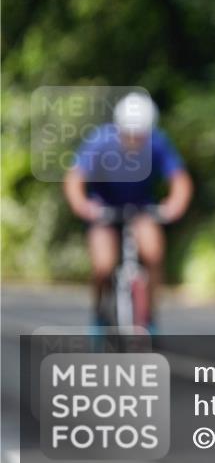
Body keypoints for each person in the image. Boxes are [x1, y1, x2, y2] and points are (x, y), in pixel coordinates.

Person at [64, 92, 193, 332]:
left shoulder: (158, 142)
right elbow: (75, 178)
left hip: (141, 207)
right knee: (103, 266)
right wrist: (83, 205)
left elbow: (179, 180)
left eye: (140, 135)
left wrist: (174, 205)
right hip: (104, 208)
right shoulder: (101, 141)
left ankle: (149, 315)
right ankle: (99, 314)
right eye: (129, 134)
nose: (134, 140)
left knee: (153, 254)